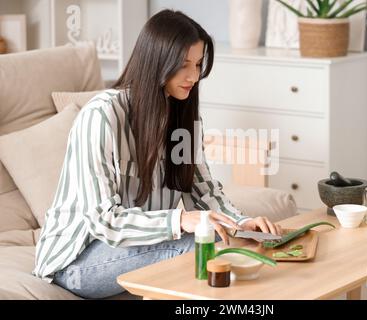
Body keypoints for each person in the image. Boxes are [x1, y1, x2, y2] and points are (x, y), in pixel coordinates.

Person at [33, 9, 282, 299]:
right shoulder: (101, 116)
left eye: (199, 64)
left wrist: (240, 223)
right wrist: (178, 221)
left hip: (135, 246)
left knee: (228, 237)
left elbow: (203, 190)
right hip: (76, 262)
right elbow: (104, 220)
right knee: (201, 245)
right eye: (183, 65)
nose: (194, 75)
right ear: (157, 61)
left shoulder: (182, 116)